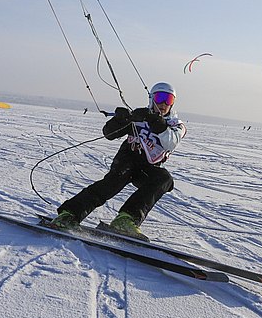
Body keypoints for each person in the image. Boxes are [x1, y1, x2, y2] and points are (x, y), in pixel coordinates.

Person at [50, 82, 187, 239]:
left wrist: (155, 121)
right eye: (159, 98)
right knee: (113, 182)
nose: (163, 104)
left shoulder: (176, 125)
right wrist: (120, 120)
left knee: (164, 179)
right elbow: (109, 133)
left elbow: (170, 142)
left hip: (147, 167)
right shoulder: (139, 118)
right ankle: (69, 215)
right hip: (127, 159)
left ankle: (126, 220)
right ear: (151, 99)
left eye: (168, 99)